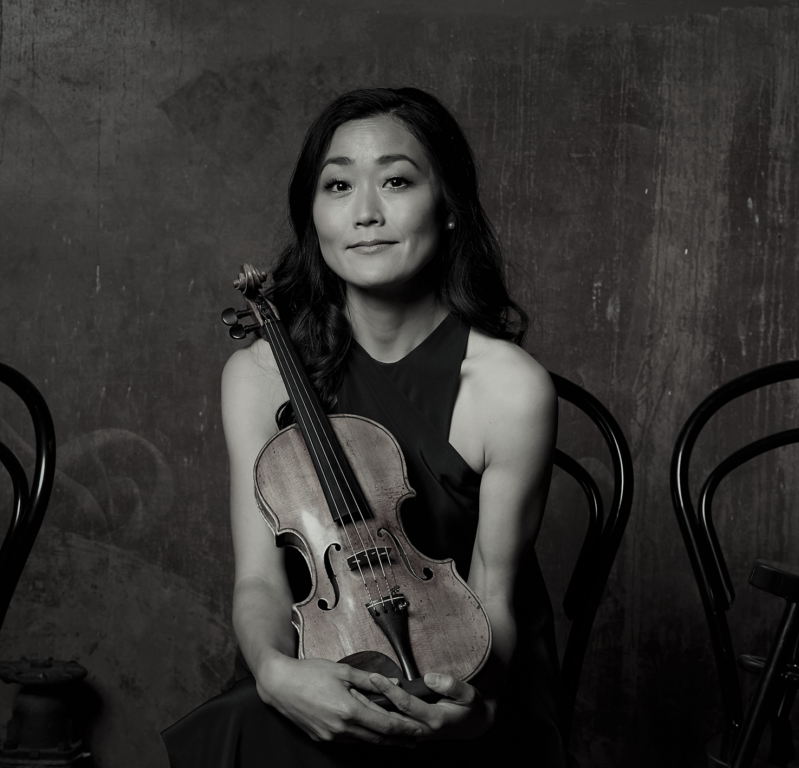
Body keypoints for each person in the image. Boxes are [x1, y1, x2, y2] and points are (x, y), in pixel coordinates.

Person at [162, 87, 565, 767]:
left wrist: (469, 713)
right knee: (251, 725)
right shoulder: (261, 376)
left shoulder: (510, 389)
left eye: (398, 181)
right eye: (339, 184)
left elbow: (496, 592)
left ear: (450, 210)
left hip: (467, 680)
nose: (366, 213)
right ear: (313, 215)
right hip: (314, 659)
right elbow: (260, 582)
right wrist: (275, 673)